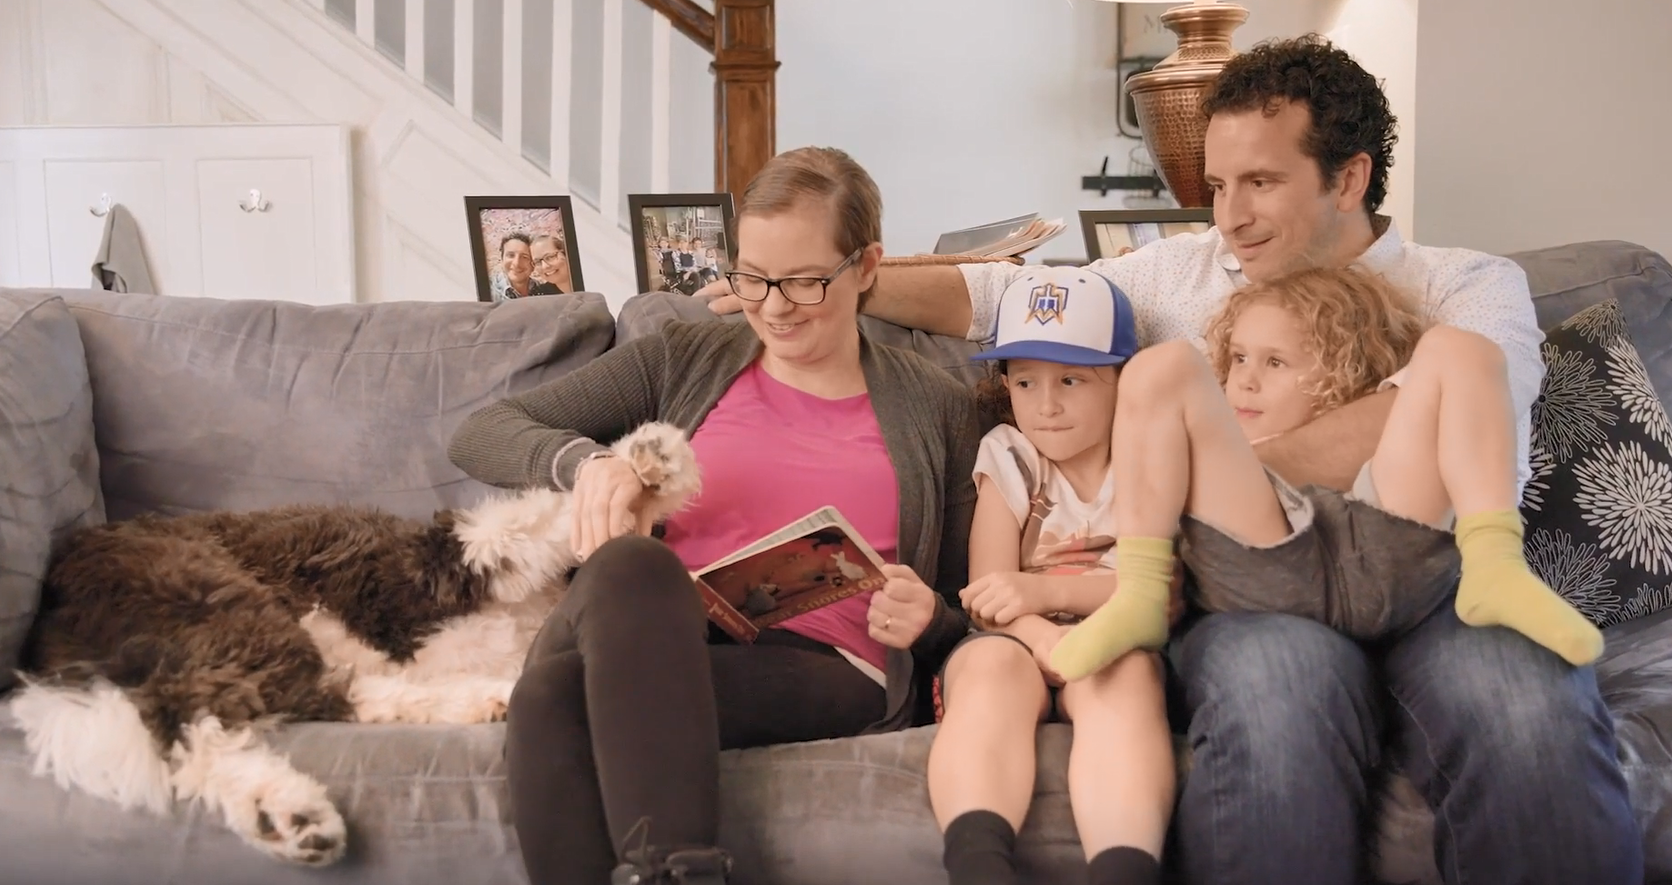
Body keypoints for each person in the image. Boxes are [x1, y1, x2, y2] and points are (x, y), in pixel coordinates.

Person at [700, 34, 1643, 885]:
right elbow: (998, 299)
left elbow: (1425, 426)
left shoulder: (1465, 285)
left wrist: (1212, 458)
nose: (1229, 214)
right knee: (1276, 693)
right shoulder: (1174, 276)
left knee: (1527, 706)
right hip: (1256, 593)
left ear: (1349, 178)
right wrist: (824, 283)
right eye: (1219, 183)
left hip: (1440, 586)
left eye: (1261, 183)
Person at [447, 145, 982, 885]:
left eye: (803, 281)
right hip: (647, 628)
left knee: (549, 698)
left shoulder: (939, 407)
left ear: (865, 268)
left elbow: (969, 602)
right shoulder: (682, 356)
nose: (773, 305)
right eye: (753, 277)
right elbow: (481, 431)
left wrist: (933, 618)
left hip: (829, 665)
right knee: (635, 564)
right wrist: (590, 462)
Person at [1047, 264, 1603, 685]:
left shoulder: (1376, 438)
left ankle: (1495, 565)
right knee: (1160, 365)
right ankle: (1139, 594)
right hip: (1264, 563)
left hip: (1388, 556)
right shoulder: (1218, 441)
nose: (1245, 380)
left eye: (1275, 362)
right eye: (1238, 358)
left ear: (1347, 372)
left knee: (1462, 348)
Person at [929, 266, 1176, 885]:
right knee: (990, 670)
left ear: (1124, 381)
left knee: (1121, 673)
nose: (1047, 404)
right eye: (1026, 381)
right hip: (1017, 637)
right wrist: (1045, 638)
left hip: (1115, 632)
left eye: (1072, 379)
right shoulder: (1010, 456)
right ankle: (980, 869)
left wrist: (1050, 592)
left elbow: (1163, 592)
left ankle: (1124, 872)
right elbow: (989, 594)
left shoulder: (1151, 457)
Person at [491, 231, 549, 299]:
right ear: (502, 259)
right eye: (511, 255)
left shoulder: (544, 292)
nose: (516, 263)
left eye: (524, 257)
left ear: (533, 264)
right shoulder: (487, 292)